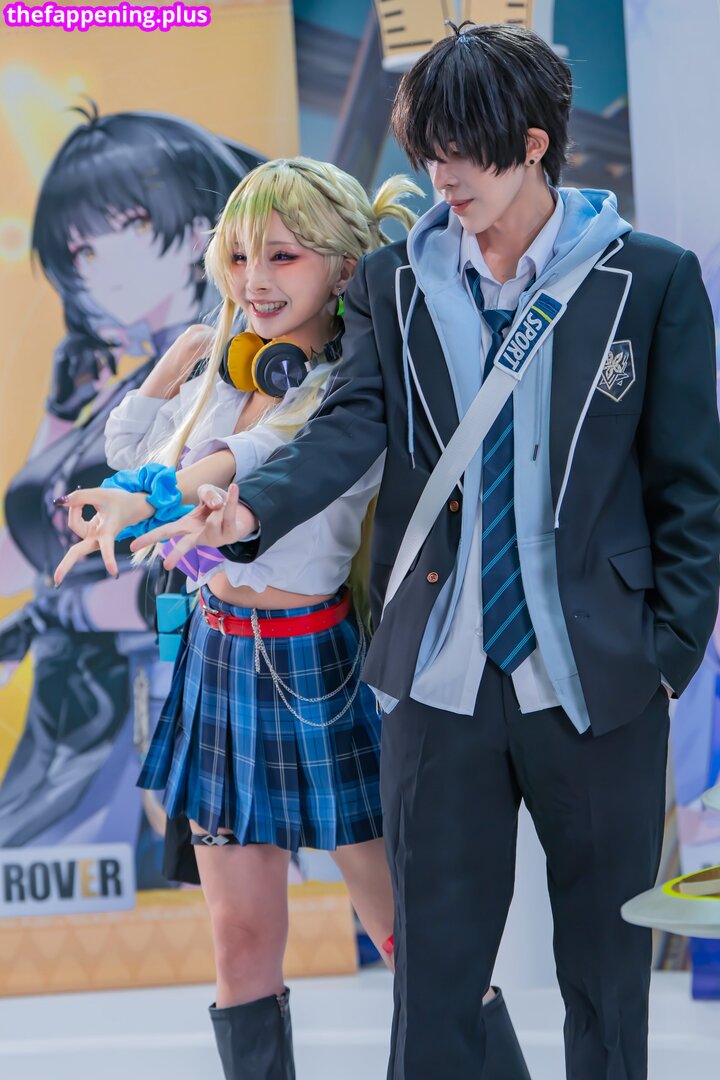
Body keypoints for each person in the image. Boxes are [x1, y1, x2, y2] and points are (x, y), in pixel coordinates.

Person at [95, 22, 720, 1079]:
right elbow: (345, 430)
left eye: (462, 152)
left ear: (533, 144)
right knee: (431, 984)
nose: (443, 177)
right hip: (438, 679)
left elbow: (690, 488)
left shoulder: (648, 279)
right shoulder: (395, 281)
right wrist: (245, 512)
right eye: (428, 152)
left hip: (600, 677)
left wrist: (665, 654)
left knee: (606, 982)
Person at [54, 155, 531, 1080]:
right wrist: (176, 369)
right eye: (238, 258)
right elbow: (136, 448)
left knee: (414, 939)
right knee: (238, 941)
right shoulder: (229, 370)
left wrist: (154, 497)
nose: (255, 281)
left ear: (345, 268)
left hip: (321, 668)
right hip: (218, 658)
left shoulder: (348, 388)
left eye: (282, 256)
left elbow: (251, 458)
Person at [0, 107, 261, 871]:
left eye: (124, 227)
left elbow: (215, 546)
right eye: (77, 248)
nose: (94, 266)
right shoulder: (134, 384)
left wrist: (74, 607)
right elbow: (30, 540)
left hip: (180, 682)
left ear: (197, 229)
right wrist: (60, 413)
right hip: (85, 712)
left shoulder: (241, 369)